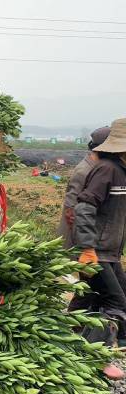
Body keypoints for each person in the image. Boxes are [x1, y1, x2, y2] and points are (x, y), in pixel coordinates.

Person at [73, 118, 126, 379]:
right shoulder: (107, 170)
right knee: (115, 300)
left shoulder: (121, 171)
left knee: (88, 298)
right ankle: (98, 358)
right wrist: (87, 248)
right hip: (97, 250)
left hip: (110, 251)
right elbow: (84, 207)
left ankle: (65, 339)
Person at [58, 126, 110, 249]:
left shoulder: (96, 168)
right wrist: (85, 244)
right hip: (75, 241)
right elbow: (72, 209)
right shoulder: (84, 172)